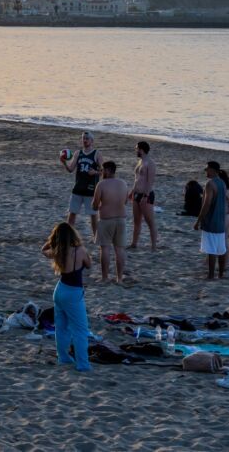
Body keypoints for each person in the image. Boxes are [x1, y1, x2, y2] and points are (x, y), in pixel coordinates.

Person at [42, 223, 92, 372]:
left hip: (60, 289)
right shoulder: (80, 251)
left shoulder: (58, 251)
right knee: (80, 330)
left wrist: (52, 241)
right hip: (73, 292)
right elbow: (88, 265)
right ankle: (83, 364)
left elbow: (43, 250)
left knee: (61, 327)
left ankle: (63, 357)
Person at [194, 161, 229, 279]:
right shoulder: (222, 184)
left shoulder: (210, 184)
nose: (206, 171)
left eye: (207, 169)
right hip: (221, 221)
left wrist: (198, 220)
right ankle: (221, 274)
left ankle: (211, 275)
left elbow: (207, 204)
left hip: (211, 220)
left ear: (213, 170)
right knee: (221, 248)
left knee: (211, 249)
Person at [91, 161, 128, 284]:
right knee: (120, 250)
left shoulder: (101, 185)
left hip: (107, 220)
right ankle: (120, 278)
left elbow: (95, 206)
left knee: (105, 248)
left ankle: (105, 277)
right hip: (121, 219)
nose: (101, 172)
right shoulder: (123, 183)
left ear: (107, 170)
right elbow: (125, 202)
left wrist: (99, 205)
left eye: (102, 170)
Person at [60, 131, 102, 239]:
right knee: (72, 214)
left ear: (92, 141)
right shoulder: (78, 153)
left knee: (93, 215)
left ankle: (96, 237)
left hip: (91, 190)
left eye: (87, 138)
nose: (85, 140)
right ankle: (68, 237)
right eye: (83, 138)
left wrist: (95, 172)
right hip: (78, 188)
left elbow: (104, 171)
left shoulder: (97, 154)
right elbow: (70, 169)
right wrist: (64, 162)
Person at [130, 141, 158, 250]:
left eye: (136, 148)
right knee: (136, 221)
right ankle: (134, 243)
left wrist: (145, 196)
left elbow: (150, 181)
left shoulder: (150, 163)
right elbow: (137, 179)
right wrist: (132, 191)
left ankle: (154, 246)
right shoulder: (140, 162)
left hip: (146, 195)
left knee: (150, 221)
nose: (135, 150)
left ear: (141, 149)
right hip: (136, 193)